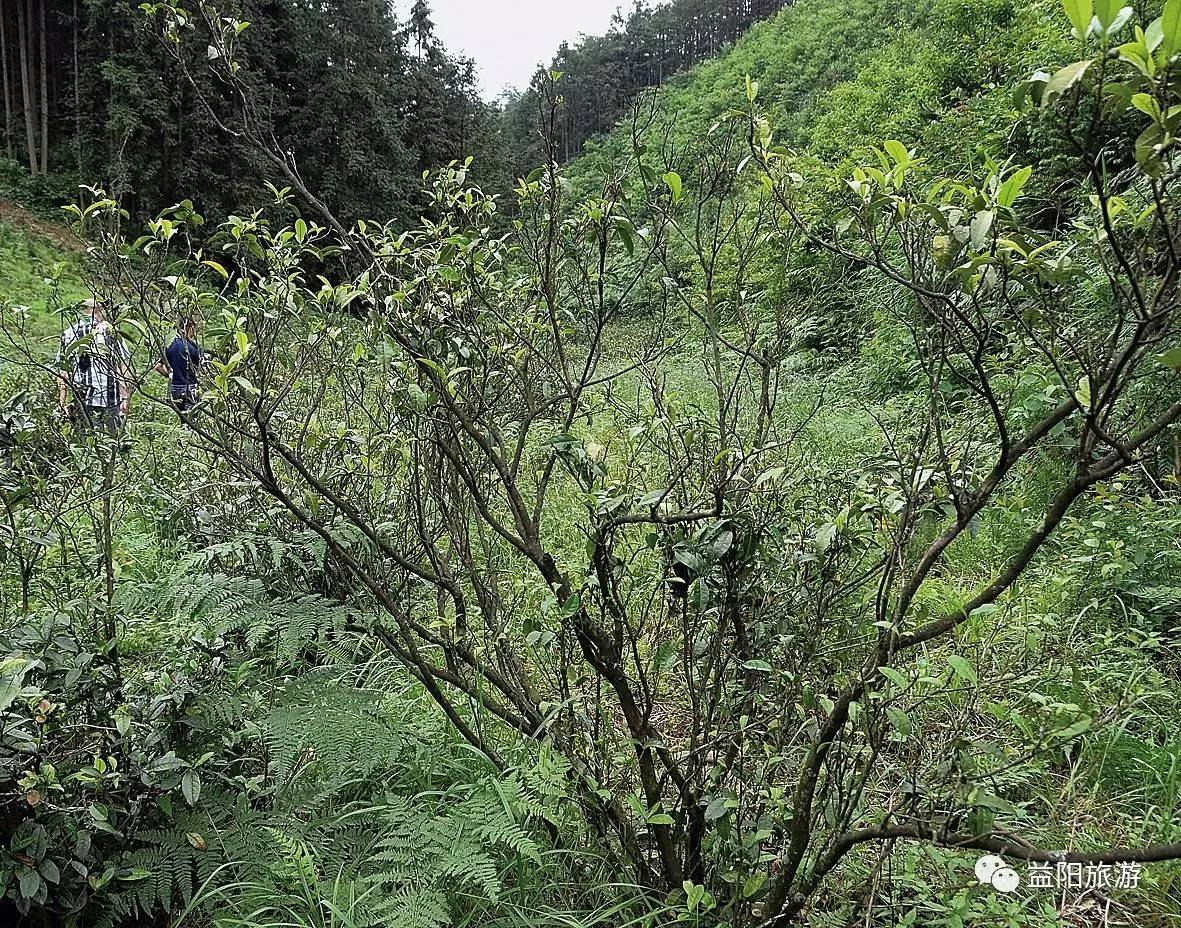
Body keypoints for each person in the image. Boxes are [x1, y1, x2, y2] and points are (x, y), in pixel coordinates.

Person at [56, 298, 133, 435]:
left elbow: (63, 371)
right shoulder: (111, 333)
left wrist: (62, 402)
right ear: (98, 311)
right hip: (111, 397)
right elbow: (122, 366)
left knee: (88, 441)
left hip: (84, 398)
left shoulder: (68, 334)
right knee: (115, 440)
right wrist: (125, 397)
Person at [155, 316, 203, 411]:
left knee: (181, 418)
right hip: (191, 388)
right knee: (191, 419)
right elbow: (202, 370)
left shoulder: (169, 345)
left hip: (174, 388)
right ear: (190, 328)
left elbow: (158, 367)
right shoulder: (193, 348)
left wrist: (171, 375)